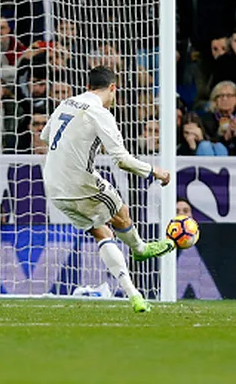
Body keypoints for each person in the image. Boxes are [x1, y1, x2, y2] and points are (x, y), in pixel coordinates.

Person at [41, 66, 175, 313]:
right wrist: (156, 171)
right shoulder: (100, 113)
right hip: (80, 183)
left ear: (87, 86)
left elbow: (45, 136)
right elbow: (122, 160)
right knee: (121, 211)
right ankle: (141, 249)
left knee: (102, 232)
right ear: (112, 88)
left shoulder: (67, 103)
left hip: (53, 186)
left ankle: (134, 296)